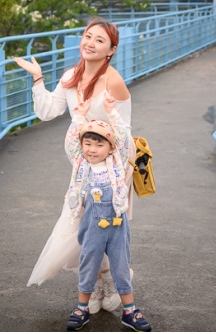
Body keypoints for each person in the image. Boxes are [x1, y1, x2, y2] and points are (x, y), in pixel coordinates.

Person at [13, 18, 133, 314]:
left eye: (100, 40)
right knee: (82, 224)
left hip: (112, 168)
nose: (90, 43)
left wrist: (112, 174)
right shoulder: (71, 76)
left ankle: (109, 282)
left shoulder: (114, 82)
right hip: (82, 166)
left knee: (103, 225)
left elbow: (124, 132)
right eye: (88, 36)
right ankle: (98, 284)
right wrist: (38, 79)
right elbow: (48, 111)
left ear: (111, 50)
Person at [61, 101, 152, 332]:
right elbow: (71, 143)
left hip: (117, 226)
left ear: (111, 147)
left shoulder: (117, 162)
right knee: (88, 265)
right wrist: (79, 116)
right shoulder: (80, 164)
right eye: (87, 143)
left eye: (99, 144)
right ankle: (82, 308)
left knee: (121, 267)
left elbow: (123, 137)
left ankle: (130, 311)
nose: (92, 149)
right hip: (92, 226)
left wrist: (112, 112)